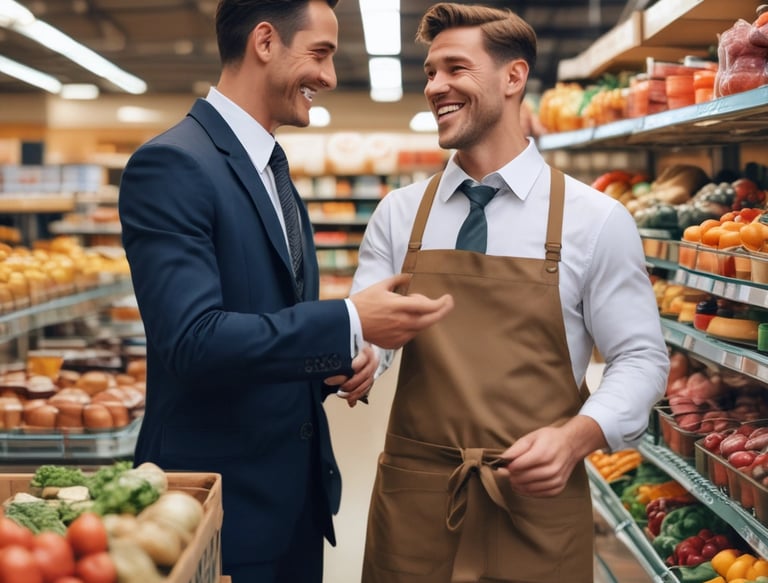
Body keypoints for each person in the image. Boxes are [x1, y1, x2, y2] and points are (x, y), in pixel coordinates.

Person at [117, 1, 454, 582]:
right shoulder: (173, 164)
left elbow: (267, 320)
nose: (328, 76)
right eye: (319, 53)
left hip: (293, 500)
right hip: (221, 508)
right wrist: (349, 320)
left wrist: (337, 362)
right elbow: (193, 342)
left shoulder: (271, 169)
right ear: (265, 42)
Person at [351, 3, 670, 582]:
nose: (435, 87)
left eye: (455, 68)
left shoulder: (594, 219)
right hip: (418, 500)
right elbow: (374, 337)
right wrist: (359, 359)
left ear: (514, 77)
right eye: (429, 72)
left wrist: (578, 437)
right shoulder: (399, 215)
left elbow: (641, 357)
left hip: (535, 503)